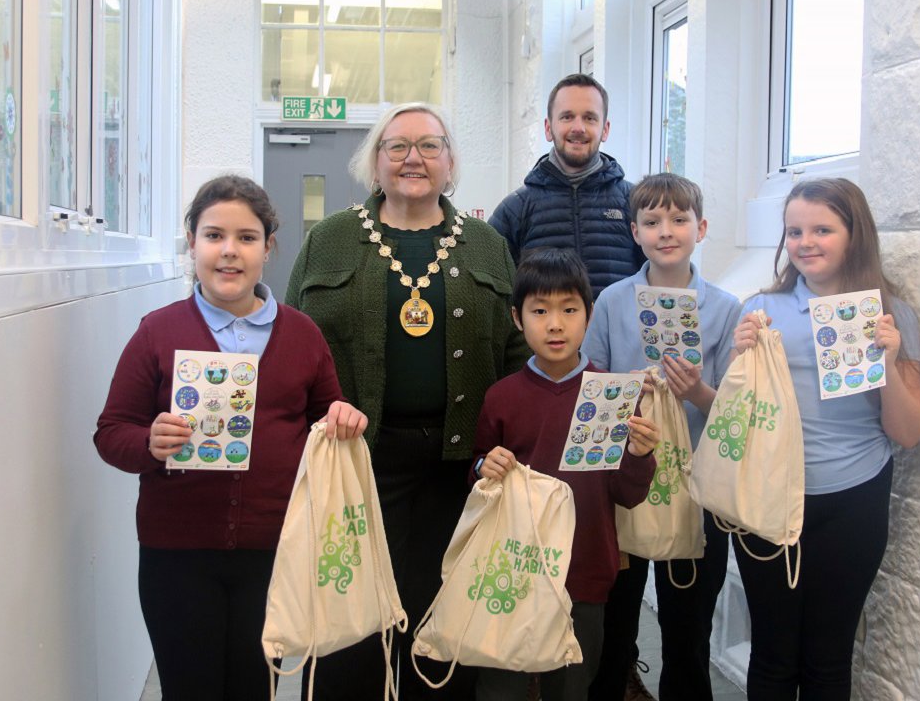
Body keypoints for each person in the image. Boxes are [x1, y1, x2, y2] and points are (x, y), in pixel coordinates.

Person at [285, 102, 530, 700]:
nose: (412, 158)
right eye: (396, 146)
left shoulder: (486, 243)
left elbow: (515, 352)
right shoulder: (330, 238)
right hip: (357, 460)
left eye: (429, 145)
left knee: (439, 614)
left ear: (451, 163)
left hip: (458, 465)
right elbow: (291, 343)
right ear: (375, 161)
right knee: (351, 613)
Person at [94, 175, 368, 701]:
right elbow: (111, 434)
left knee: (253, 687)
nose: (229, 251)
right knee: (189, 686)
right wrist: (148, 442)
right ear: (192, 243)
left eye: (246, 237)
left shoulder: (303, 333)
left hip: (275, 551)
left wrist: (344, 420)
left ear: (269, 248)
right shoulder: (157, 330)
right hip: (177, 553)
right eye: (214, 235)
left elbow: (326, 421)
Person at [730, 178, 920, 700]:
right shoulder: (760, 311)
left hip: (854, 499)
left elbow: (907, 433)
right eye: (794, 230)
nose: (805, 241)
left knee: (828, 659)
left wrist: (887, 357)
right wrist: (738, 360)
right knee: (772, 657)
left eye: (822, 229)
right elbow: (733, 420)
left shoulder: (892, 316)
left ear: (853, 234)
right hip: (768, 501)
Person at [472, 247, 660, 700]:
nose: (555, 324)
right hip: (512, 568)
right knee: (502, 686)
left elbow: (627, 494)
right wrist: (483, 466)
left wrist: (639, 454)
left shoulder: (612, 395)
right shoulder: (502, 397)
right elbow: (479, 473)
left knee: (572, 684)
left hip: (584, 568)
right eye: (540, 311)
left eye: (569, 310)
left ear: (588, 315)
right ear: (517, 319)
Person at [582, 174, 742, 701]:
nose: (666, 232)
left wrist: (696, 390)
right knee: (615, 626)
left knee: (687, 629)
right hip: (624, 484)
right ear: (634, 230)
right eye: (651, 222)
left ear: (702, 227)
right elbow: (592, 387)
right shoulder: (609, 301)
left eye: (679, 220)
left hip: (696, 489)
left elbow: (735, 414)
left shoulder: (725, 309)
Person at [489, 73, 645, 298]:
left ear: (606, 129)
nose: (578, 127)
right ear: (548, 128)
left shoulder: (635, 203)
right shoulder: (515, 210)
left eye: (590, 118)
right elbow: (494, 292)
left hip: (618, 335)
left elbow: (661, 279)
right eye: (567, 117)